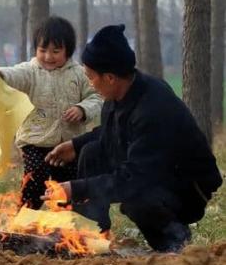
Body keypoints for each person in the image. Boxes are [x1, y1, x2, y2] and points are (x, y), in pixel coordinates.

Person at [42, 24, 223, 252]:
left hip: (187, 187)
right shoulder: (117, 95)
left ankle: (174, 243)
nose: (90, 83)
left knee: (137, 199)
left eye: (91, 77)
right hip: (151, 170)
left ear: (109, 77)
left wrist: (74, 188)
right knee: (90, 153)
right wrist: (75, 145)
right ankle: (89, 235)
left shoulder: (153, 108)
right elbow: (111, 135)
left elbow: (134, 178)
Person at [0, 16, 103, 209]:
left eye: (55, 51)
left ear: (68, 51)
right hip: (35, 142)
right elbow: (14, 74)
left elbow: (97, 97)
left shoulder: (79, 74)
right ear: (36, 49)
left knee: (66, 188)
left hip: (68, 145)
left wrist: (82, 109)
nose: (48, 57)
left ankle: (65, 228)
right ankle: (25, 221)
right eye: (43, 50)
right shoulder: (30, 71)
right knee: (35, 181)